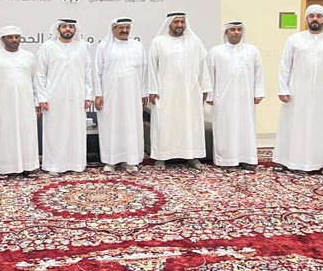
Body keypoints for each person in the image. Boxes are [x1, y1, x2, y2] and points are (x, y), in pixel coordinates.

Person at [273, 4, 323, 173]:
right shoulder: (295, 39)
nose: (315, 19)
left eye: (319, 16)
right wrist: (283, 88)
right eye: (311, 16)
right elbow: (285, 65)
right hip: (296, 92)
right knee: (292, 125)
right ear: (306, 19)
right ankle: (286, 160)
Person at [147, 12, 212, 169]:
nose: (180, 25)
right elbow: (152, 67)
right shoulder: (159, 42)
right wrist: (152, 89)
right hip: (166, 91)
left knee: (190, 123)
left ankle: (192, 156)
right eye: (176, 22)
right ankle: (161, 157)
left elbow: (203, 65)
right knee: (164, 123)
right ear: (169, 23)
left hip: (190, 92)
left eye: (182, 22)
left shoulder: (194, 42)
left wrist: (205, 88)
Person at [36, 18, 93, 175]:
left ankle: (76, 164)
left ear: (75, 30)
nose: (68, 29)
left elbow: (88, 71)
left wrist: (88, 95)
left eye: (71, 27)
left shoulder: (82, 47)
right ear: (58, 29)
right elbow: (40, 73)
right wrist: (42, 97)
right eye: (64, 27)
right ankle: (54, 165)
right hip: (54, 97)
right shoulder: (48, 47)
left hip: (78, 96)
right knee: (54, 131)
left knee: (76, 130)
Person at [206, 21, 264, 169]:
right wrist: (210, 96)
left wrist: (258, 92)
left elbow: (258, 73)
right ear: (226, 32)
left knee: (246, 127)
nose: (236, 32)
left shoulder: (252, 51)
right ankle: (226, 160)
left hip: (246, 97)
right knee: (225, 128)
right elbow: (210, 75)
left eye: (239, 30)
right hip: (223, 97)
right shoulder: (216, 51)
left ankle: (247, 159)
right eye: (233, 30)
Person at [94, 17, 147, 174]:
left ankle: (130, 161)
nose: (124, 31)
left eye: (127, 28)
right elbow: (96, 72)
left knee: (131, 125)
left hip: (132, 95)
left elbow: (144, 72)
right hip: (111, 95)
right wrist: (98, 94)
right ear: (113, 29)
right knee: (111, 125)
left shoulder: (137, 46)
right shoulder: (104, 47)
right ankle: (111, 161)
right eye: (121, 28)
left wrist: (143, 92)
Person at [0, 26, 40, 177]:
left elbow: (35, 80)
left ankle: (29, 166)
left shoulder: (29, 56)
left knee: (27, 133)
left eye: (17, 37)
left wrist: (37, 102)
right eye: (10, 37)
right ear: (3, 39)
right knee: (5, 134)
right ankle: (5, 168)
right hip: (3, 103)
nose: (14, 40)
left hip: (26, 102)